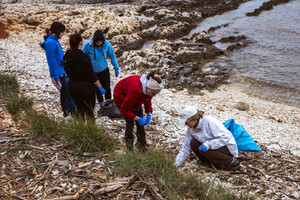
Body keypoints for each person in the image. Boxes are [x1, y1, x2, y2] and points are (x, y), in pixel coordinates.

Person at [175, 106, 240, 171]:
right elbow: (186, 147)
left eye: (186, 122)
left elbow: (226, 137)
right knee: (193, 143)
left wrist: (208, 144)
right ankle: (208, 162)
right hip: (210, 147)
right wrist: (176, 163)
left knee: (204, 149)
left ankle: (230, 163)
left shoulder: (210, 121)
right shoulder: (191, 129)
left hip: (226, 147)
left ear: (194, 120)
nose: (185, 124)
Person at [113, 72, 163, 151]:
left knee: (140, 125)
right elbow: (124, 109)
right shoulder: (135, 90)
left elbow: (147, 99)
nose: (153, 96)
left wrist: (149, 112)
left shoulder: (148, 89)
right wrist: (137, 118)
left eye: (155, 94)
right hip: (121, 96)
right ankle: (130, 149)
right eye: (153, 93)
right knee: (130, 123)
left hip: (135, 99)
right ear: (148, 88)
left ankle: (141, 146)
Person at [63, 33, 106, 122]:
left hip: (72, 85)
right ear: (81, 43)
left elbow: (65, 68)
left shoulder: (67, 55)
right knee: (89, 111)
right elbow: (91, 75)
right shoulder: (84, 57)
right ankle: (90, 131)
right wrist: (100, 87)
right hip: (84, 87)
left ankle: (80, 130)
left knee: (79, 109)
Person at [40, 21, 76, 117]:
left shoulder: (54, 40)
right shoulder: (51, 43)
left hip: (62, 71)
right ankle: (74, 114)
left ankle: (66, 112)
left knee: (64, 93)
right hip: (59, 73)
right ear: (57, 31)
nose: (63, 34)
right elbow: (52, 61)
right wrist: (56, 76)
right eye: (62, 32)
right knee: (69, 94)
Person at [82, 29, 119, 104]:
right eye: (97, 42)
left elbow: (112, 56)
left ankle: (108, 105)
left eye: (100, 41)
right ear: (94, 40)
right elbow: (82, 57)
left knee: (107, 88)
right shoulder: (87, 45)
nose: (99, 43)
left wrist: (116, 67)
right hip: (93, 72)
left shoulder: (106, 44)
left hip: (104, 70)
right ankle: (102, 104)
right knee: (98, 90)